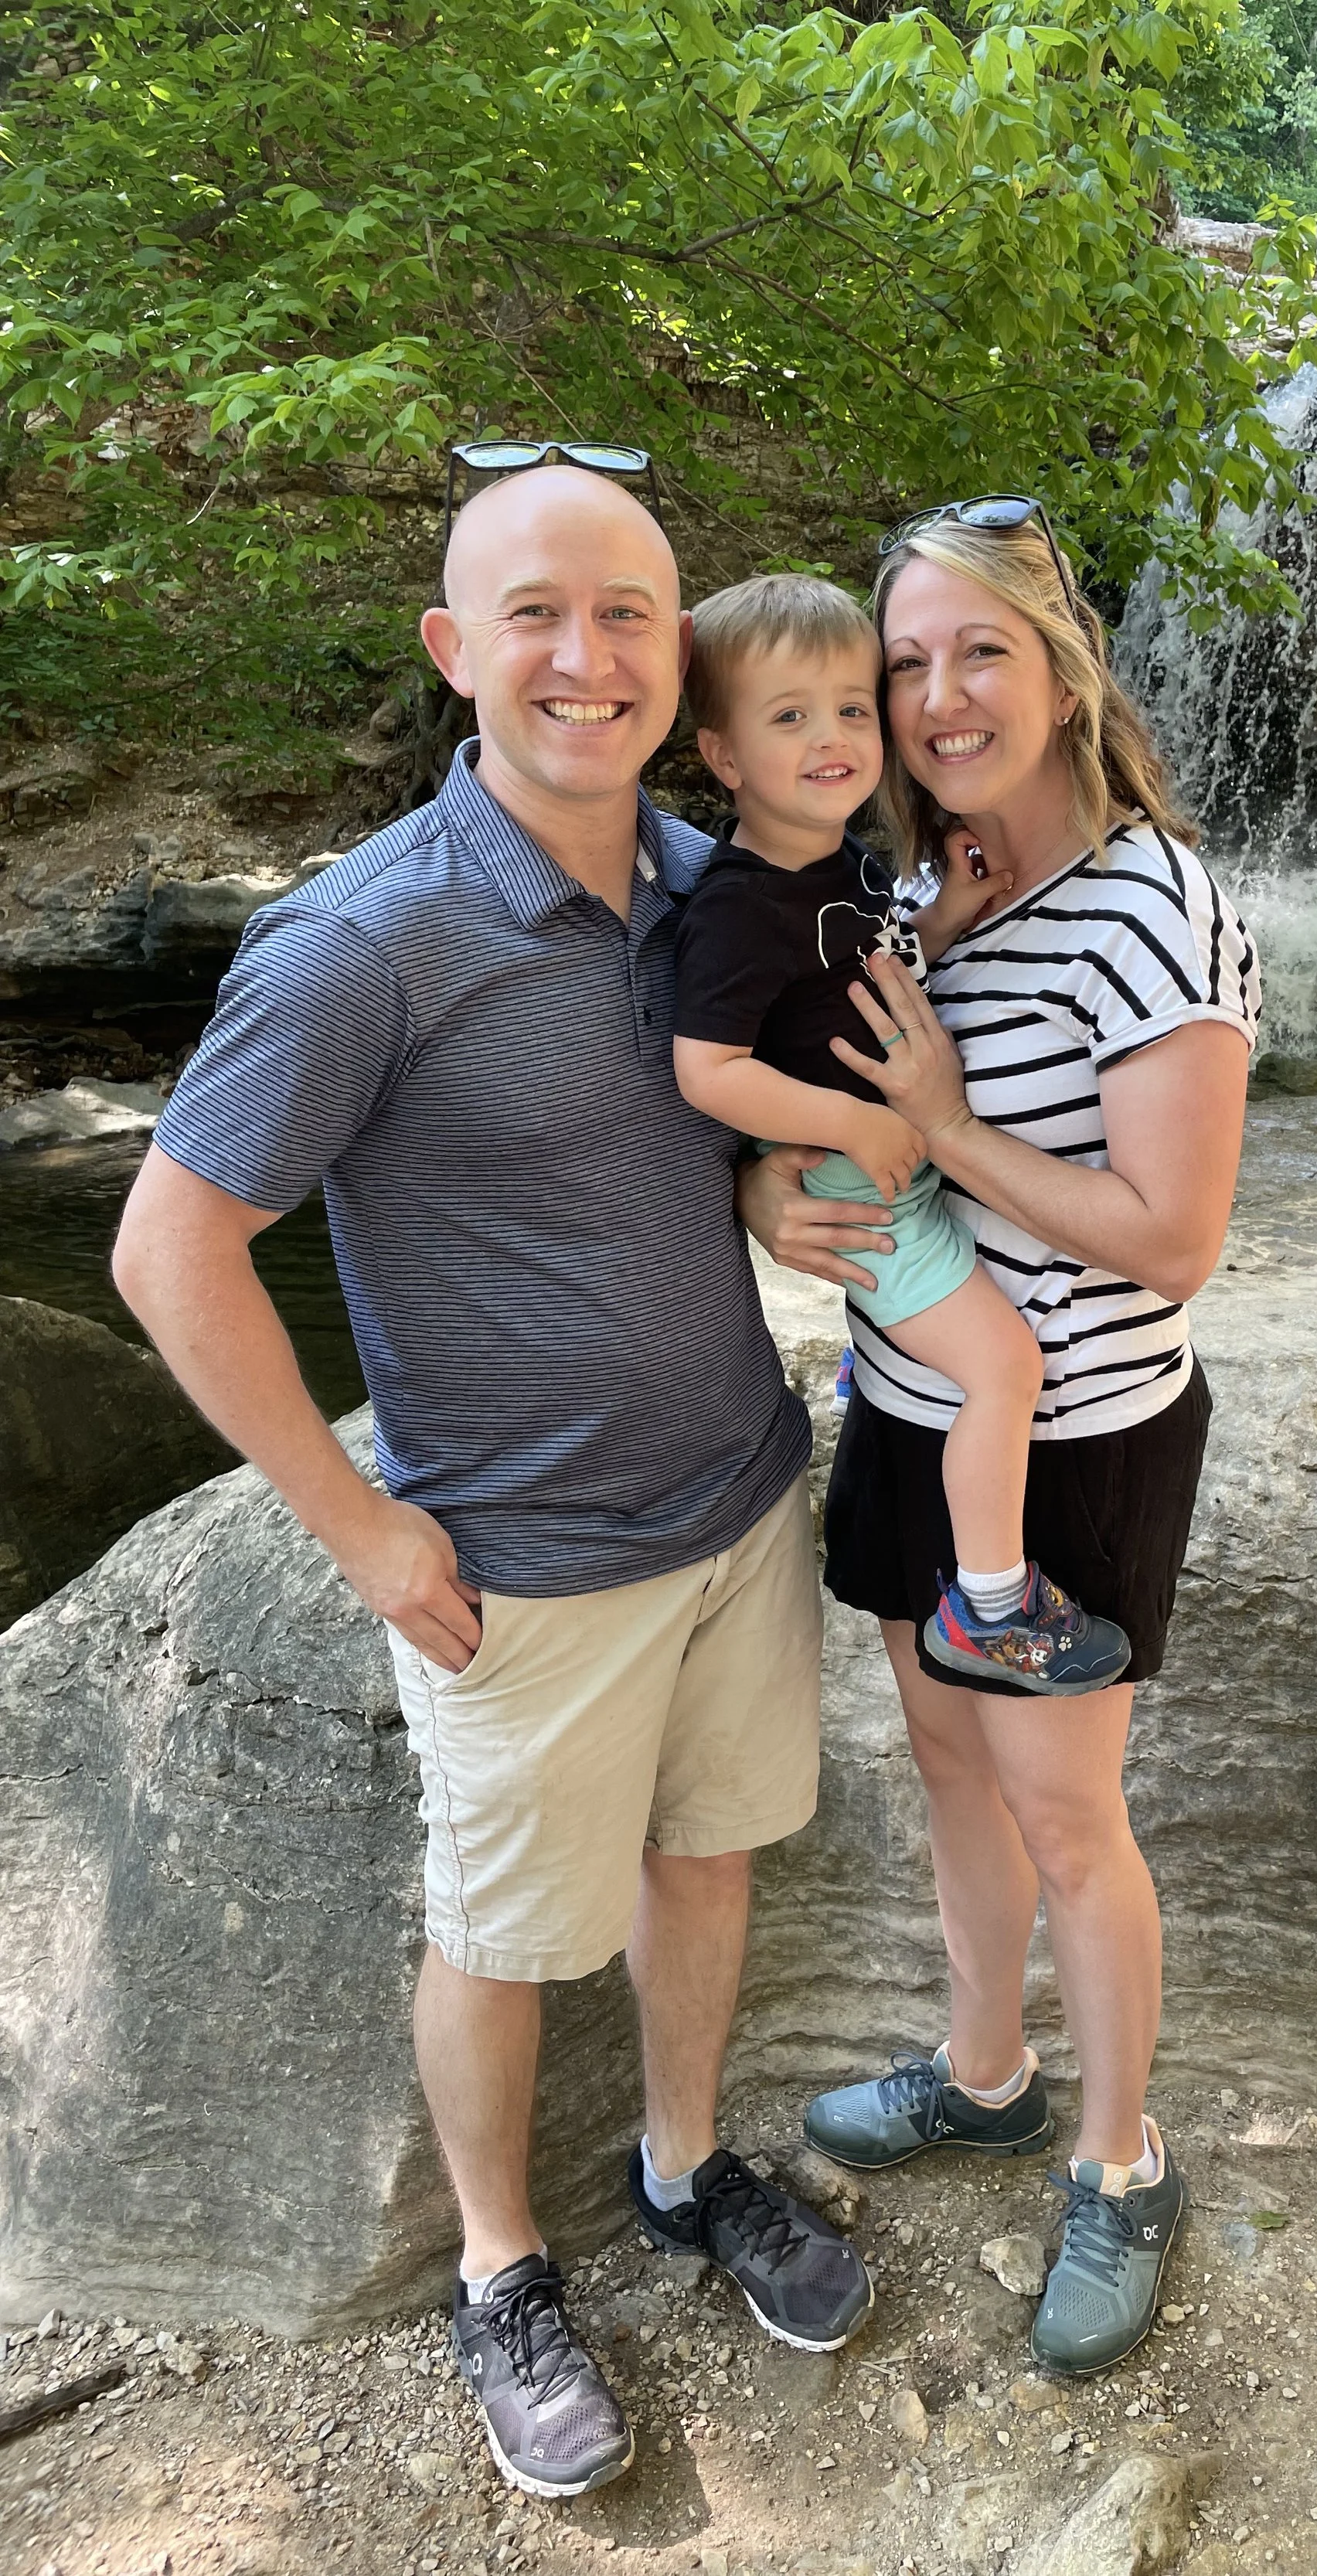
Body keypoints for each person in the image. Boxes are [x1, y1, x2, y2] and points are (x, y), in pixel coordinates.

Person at [111, 459, 871, 2505]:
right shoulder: (360, 943)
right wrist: (356, 1524)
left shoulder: (712, 884)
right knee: (504, 1933)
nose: (585, 654)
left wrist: (783, 1190)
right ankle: (503, 2269)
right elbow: (166, 1253)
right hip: (520, 1562)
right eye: (535, 612)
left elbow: (708, 1133)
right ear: (457, 652)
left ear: (679, 660)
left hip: (735, 1499)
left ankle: (688, 2166)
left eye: (628, 614)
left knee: (704, 1858)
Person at [743, 502, 1259, 2377]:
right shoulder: (911, 893)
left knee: (1062, 1812)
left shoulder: (1157, 910)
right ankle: (985, 2075)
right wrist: (766, 1210)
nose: (940, 694)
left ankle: (1121, 2164)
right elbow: (811, 1112)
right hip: (906, 1410)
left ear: (1060, 672)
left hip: (1073, 1440)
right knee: (949, 1765)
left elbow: (1168, 1236)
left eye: (980, 652)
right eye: (906, 661)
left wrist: (949, 1127)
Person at [671, 572, 1132, 1694]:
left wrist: (945, 919)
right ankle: (991, 1604)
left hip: (886, 1163)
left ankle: (986, 1594)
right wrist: (845, 1124)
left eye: (850, 710)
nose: (831, 738)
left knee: (996, 1364)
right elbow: (705, 1068)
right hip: (859, 1183)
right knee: (1004, 1368)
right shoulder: (737, 903)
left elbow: (868, 967)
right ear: (724, 756)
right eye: (789, 718)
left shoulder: (843, 862)